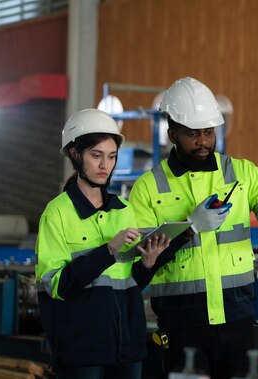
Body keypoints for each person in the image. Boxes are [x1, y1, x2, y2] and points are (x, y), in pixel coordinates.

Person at [128, 77, 258, 379]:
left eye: (208, 132)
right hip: (183, 328)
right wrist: (190, 228)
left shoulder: (240, 172)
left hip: (239, 323)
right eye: (192, 134)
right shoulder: (148, 187)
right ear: (172, 133)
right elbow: (141, 262)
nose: (203, 141)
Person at [35, 109, 171, 379]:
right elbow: (55, 286)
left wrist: (147, 265)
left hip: (128, 346)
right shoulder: (57, 213)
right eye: (96, 155)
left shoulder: (124, 209)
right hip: (82, 350)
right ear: (75, 154)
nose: (104, 165)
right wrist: (107, 251)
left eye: (111, 157)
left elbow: (127, 284)